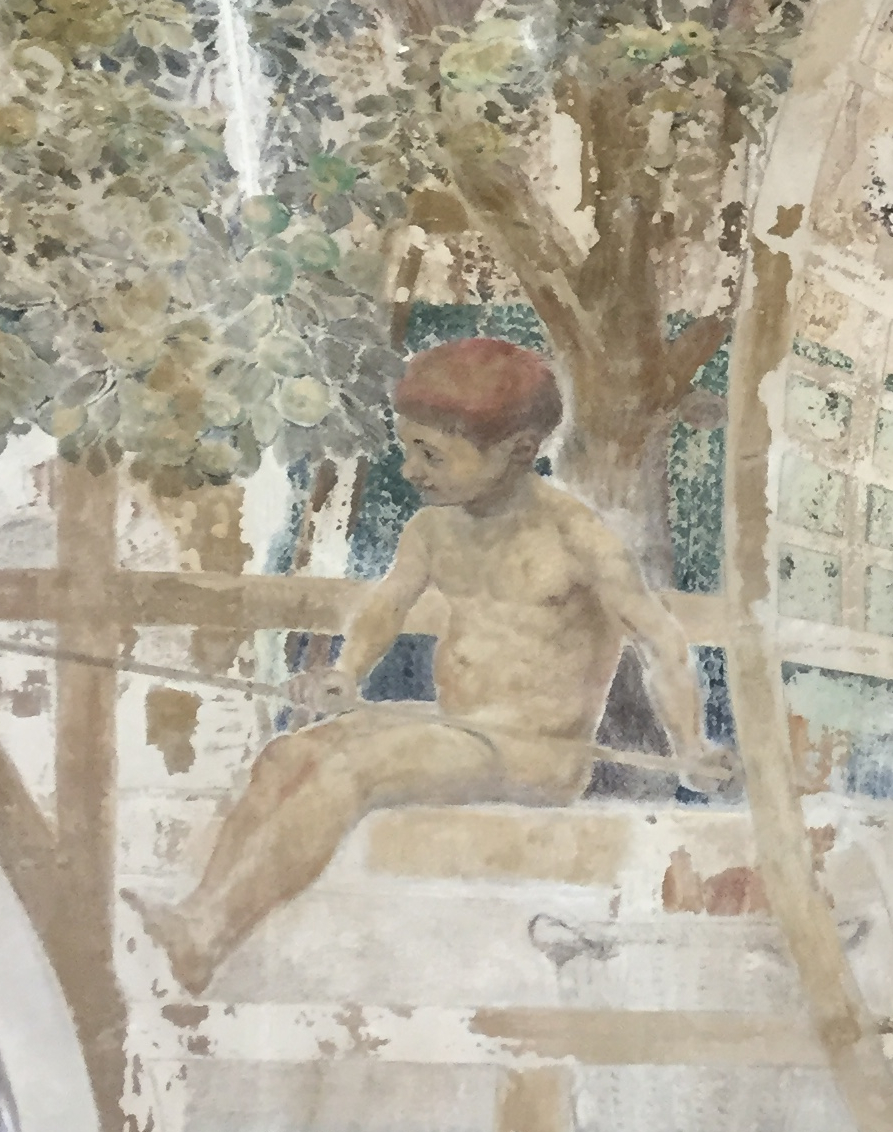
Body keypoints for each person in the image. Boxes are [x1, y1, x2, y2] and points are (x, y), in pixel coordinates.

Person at [132, 337, 732, 995]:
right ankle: (198, 914)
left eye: (433, 455)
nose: (412, 470)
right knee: (285, 756)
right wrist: (346, 673)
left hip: (532, 753)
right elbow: (386, 606)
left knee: (351, 769)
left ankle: (211, 936)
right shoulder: (433, 530)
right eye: (410, 449)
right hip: (457, 726)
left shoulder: (577, 538)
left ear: (518, 450)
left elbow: (659, 641)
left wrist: (691, 747)